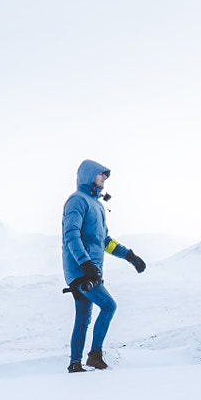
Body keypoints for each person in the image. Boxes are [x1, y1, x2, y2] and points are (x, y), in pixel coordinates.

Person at [61, 159, 146, 372]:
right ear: (89, 175)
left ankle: (74, 364)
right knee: (109, 306)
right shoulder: (76, 201)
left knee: (83, 318)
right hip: (81, 270)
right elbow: (71, 236)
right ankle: (94, 355)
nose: (105, 178)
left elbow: (105, 241)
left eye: (106, 175)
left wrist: (129, 255)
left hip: (91, 270)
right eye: (102, 174)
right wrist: (86, 263)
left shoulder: (97, 206)